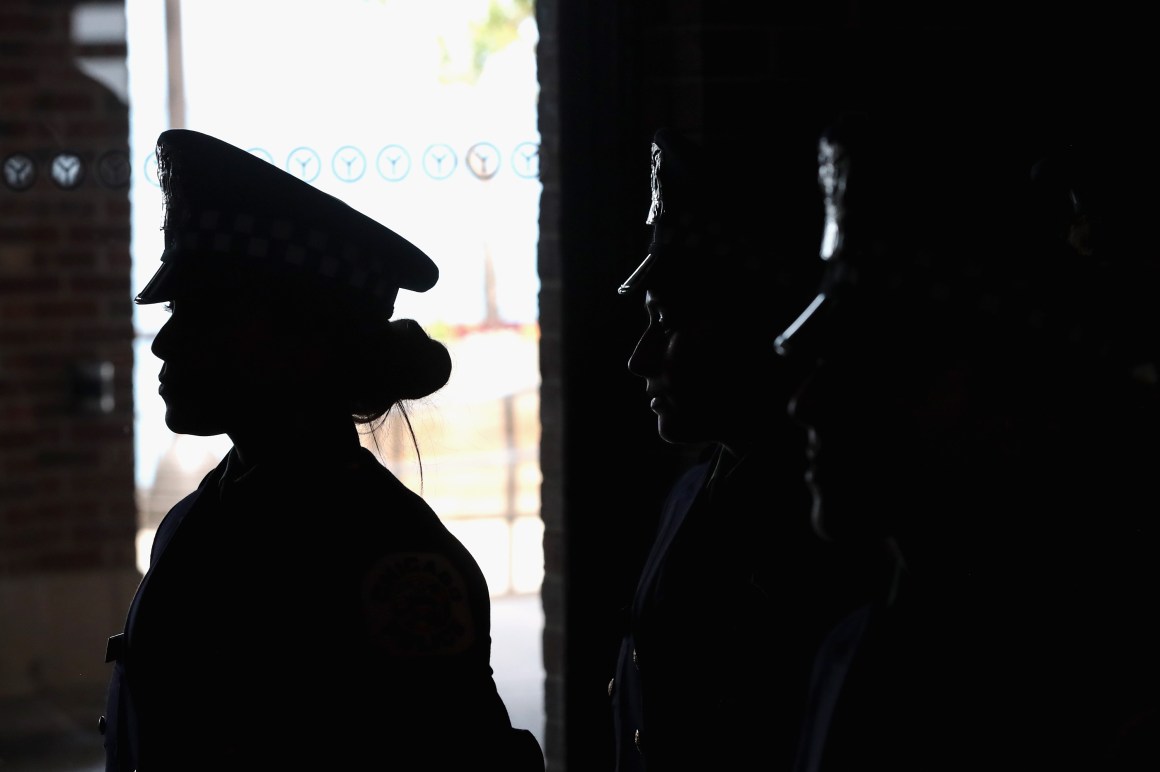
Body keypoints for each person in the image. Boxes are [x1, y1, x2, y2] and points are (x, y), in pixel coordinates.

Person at [99, 128, 545, 772]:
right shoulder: (203, 515)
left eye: (200, 313)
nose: (164, 343)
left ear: (297, 344)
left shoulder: (389, 559)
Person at [774, 104, 1160, 771]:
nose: (806, 403)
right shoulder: (853, 649)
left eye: (868, 365)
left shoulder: (1100, 702)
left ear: (995, 384)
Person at [608, 124, 894, 772]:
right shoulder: (696, 488)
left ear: (763, 325)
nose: (640, 357)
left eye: (672, 322)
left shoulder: (824, 523)